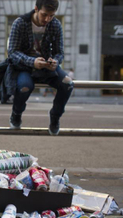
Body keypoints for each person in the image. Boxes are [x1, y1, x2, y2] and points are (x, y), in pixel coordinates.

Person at [7, 0, 73, 136]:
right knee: (24, 87)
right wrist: (32, 61)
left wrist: (55, 61)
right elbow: (12, 52)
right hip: (25, 67)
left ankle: (55, 118)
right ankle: (16, 114)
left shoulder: (55, 24)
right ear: (36, 9)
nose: (47, 19)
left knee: (68, 84)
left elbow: (59, 52)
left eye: (52, 15)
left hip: (47, 67)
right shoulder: (20, 23)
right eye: (44, 15)